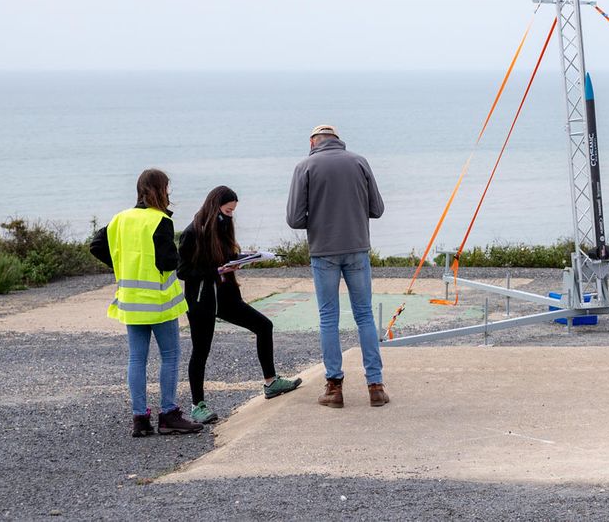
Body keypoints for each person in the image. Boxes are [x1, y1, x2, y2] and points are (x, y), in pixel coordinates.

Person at [89, 168, 203, 437]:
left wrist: (122, 266)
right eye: (167, 188)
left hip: (131, 300)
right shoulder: (159, 220)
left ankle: (140, 418)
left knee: (137, 358)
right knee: (170, 356)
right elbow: (166, 261)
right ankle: (168, 413)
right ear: (161, 190)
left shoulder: (120, 219)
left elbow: (96, 245)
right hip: (160, 301)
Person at [179, 185, 303, 424]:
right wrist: (216, 270)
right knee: (201, 350)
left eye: (233, 210)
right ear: (215, 206)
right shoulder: (192, 232)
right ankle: (197, 405)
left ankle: (271, 382)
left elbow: (224, 255)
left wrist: (246, 257)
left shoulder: (223, 225)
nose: (230, 215)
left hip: (226, 296)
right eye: (228, 210)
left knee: (263, 325)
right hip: (202, 300)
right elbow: (183, 271)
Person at [285, 124, 389, 408]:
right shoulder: (359, 161)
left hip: (324, 251)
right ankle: (375, 386)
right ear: (338, 140)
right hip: (357, 247)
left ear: (312, 141)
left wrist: (319, 218)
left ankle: (334, 388)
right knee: (365, 316)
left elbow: (294, 219)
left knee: (328, 318)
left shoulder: (304, 166)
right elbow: (377, 209)